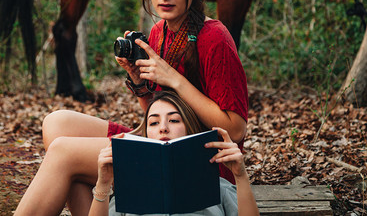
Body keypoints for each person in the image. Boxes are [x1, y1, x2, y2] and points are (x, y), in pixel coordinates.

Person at [33, 0, 248, 215]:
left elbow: (236, 129)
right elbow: (155, 114)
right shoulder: (160, 33)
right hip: (159, 142)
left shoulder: (215, 38)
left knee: (63, 154)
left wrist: (173, 78)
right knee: (55, 123)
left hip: (202, 161)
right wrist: (139, 82)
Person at [88, 91, 259, 216]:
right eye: (154, 122)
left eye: (174, 120)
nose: (163, 127)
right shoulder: (131, 191)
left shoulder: (217, 186)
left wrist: (240, 175)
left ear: (189, 130)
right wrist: (103, 184)